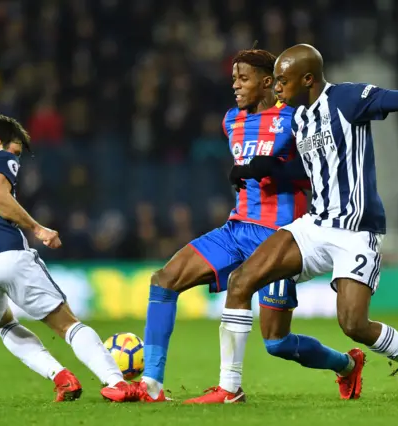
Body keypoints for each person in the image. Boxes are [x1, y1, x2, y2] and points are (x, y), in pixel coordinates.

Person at [219, 44, 398, 403]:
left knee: (354, 325)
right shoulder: (299, 118)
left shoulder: (348, 99)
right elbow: (312, 167)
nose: (277, 89)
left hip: (355, 232)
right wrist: (258, 169)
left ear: (308, 79)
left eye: (283, 81)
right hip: (314, 225)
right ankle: (229, 389)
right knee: (241, 280)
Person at [138, 49, 363, 404]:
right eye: (233, 80)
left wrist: (272, 168)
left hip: (279, 239)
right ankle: (151, 384)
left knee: (277, 343)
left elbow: (318, 174)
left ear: (268, 82)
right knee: (164, 281)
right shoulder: (231, 120)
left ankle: (346, 365)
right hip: (236, 229)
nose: (236, 86)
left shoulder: (295, 118)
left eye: (243, 79)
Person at [0, 114, 139, 403]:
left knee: (4, 325)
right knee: (67, 324)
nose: (16, 161)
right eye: (15, 152)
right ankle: (116, 383)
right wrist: (38, 228)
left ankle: (61, 378)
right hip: (4, 252)